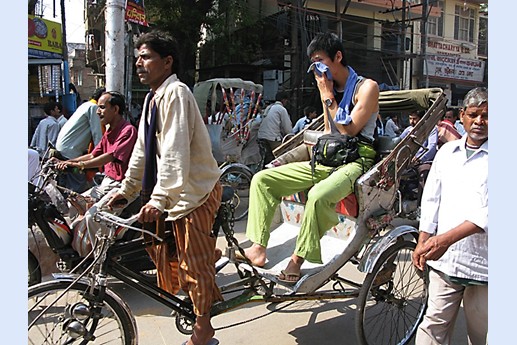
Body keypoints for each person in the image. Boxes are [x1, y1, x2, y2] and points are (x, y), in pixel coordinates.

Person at [105, 30, 223, 345]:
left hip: (195, 192)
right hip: (174, 192)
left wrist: (159, 199)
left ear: (167, 61)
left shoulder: (178, 93)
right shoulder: (153, 98)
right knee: (164, 254)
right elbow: (143, 151)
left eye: (146, 57)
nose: (139, 64)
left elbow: (174, 152)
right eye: (137, 58)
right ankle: (206, 274)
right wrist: (125, 191)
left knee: (192, 263)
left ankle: (204, 330)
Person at [242, 32, 379, 284]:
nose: (316, 68)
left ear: (338, 57)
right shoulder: (327, 86)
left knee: (317, 196)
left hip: (356, 160)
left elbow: (349, 130)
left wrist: (326, 94)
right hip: (330, 156)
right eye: (313, 62)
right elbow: (329, 131)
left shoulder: (367, 87)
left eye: (320, 60)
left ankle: (297, 259)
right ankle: (258, 247)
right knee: (262, 179)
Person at [412, 87, 488, 345]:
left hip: (485, 264)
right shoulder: (447, 152)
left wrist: (443, 240)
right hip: (446, 262)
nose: (479, 122)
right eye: (474, 115)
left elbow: (488, 214)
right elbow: (432, 199)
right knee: (432, 326)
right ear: (462, 116)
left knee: (483, 334)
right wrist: (424, 239)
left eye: (487, 116)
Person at [51, 91, 138, 256]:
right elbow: (93, 155)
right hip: (106, 182)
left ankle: (93, 258)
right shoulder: (109, 131)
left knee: (92, 217)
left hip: (122, 186)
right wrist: (69, 162)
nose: (98, 112)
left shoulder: (128, 130)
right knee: (74, 205)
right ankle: (81, 249)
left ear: (116, 109)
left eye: (102, 107)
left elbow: (109, 156)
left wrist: (81, 165)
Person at [54, 87, 105, 193]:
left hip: (64, 148)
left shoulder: (85, 105)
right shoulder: (94, 108)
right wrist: (100, 158)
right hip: (71, 151)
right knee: (77, 186)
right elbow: (97, 135)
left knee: (66, 186)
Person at [399, 110, 438, 204]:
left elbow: (431, 147)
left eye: (415, 119)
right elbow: (399, 142)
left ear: (421, 119)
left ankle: (421, 205)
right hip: (408, 162)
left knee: (423, 174)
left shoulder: (431, 129)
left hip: (423, 161)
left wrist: (420, 159)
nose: (412, 121)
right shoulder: (408, 130)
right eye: (410, 119)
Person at [257, 91, 293, 165]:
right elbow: (287, 127)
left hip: (261, 136)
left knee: (268, 157)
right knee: (282, 155)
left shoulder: (269, 107)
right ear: (283, 100)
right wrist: (292, 137)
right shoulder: (281, 109)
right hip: (272, 138)